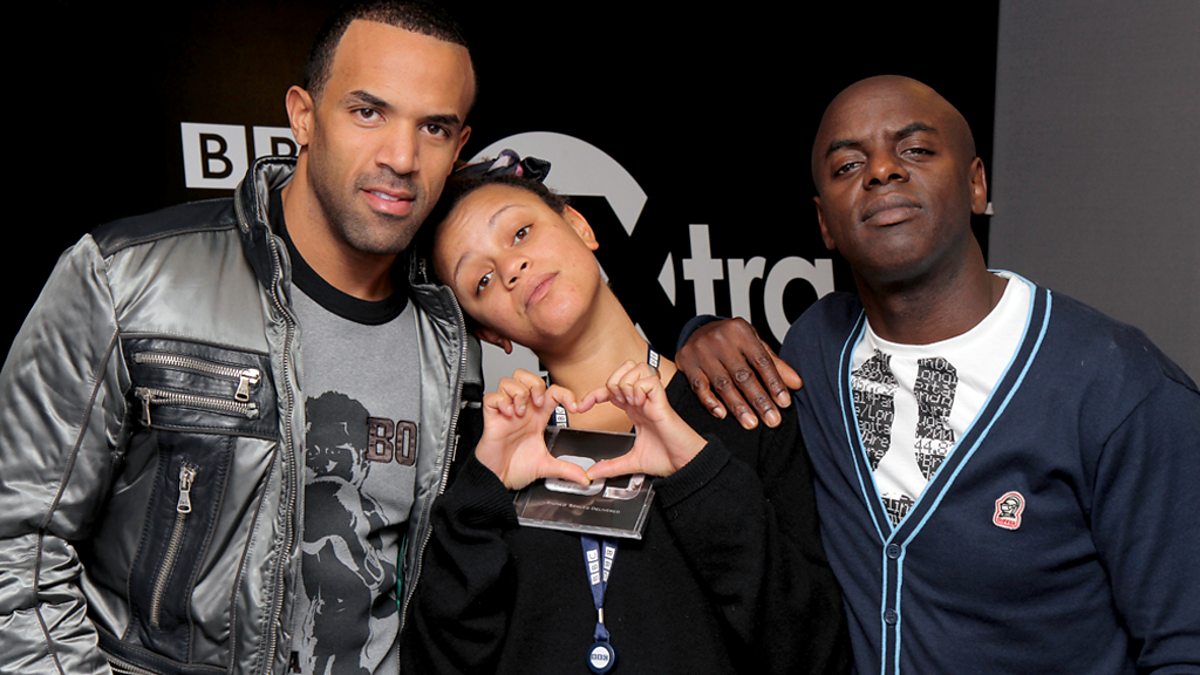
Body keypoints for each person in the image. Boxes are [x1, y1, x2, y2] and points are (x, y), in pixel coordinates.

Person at [0, 2, 481, 673]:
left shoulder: (454, 337)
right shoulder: (126, 280)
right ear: (303, 115)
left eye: (434, 127)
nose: (401, 157)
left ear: (459, 148)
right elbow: (17, 553)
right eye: (368, 111)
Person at [676, 75, 1200, 673]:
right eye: (848, 166)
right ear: (824, 223)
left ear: (977, 185)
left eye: (916, 150)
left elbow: (1185, 645)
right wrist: (700, 333)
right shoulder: (817, 348)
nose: (881, 171)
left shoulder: (1118, 386)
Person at [401, 172, 850, 674]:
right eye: (481, 281)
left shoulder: (743, 405)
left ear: (580, 225)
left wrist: (697, 472)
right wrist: (482, 497)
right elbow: (437, 663)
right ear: (489, 333)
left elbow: (814, 651)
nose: (511, 268)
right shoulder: (488, 461)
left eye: (520, 233)